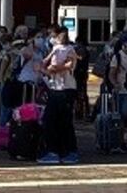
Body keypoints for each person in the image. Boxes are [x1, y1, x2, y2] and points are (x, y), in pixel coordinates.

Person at [38, 26, 80, 165]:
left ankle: (67, 152)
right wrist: (44, 69)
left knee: (62, 121)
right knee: (53, 121)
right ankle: (57, 151)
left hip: (65, 89)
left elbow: (68, 65)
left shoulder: (69, 50)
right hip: (56, 88)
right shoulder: (55, 50)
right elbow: (49, 67)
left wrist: (50, 68)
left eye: (53, 36)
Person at [108, 33, 127, 143]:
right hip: (122, 91)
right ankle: (120, 140)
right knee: (123, 116)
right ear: (124, 44)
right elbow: (112, 73)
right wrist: (115, 84)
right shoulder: (118, 57)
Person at [73, 34, 90, 121]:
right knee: (82, 92)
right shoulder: (84, 49)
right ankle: (84, 111)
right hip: (82, 73)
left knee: (79, 93)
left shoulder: (81, 49)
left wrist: (73, 55)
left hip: (79, 73)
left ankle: (80, 112)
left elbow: (81, 58)